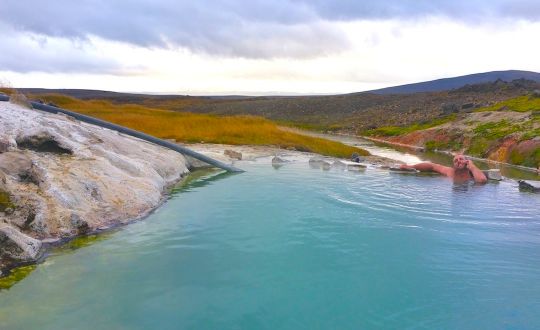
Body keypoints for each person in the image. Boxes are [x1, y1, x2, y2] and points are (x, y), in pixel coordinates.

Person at [400, 154, 487, 184]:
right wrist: (411, 167)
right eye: (456, 161)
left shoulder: (473, 172)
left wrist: (471, 166)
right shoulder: (450, 171)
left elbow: (482, 181)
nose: (458, 161)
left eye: (461, 159)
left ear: (467, 161)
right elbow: (432, 166)